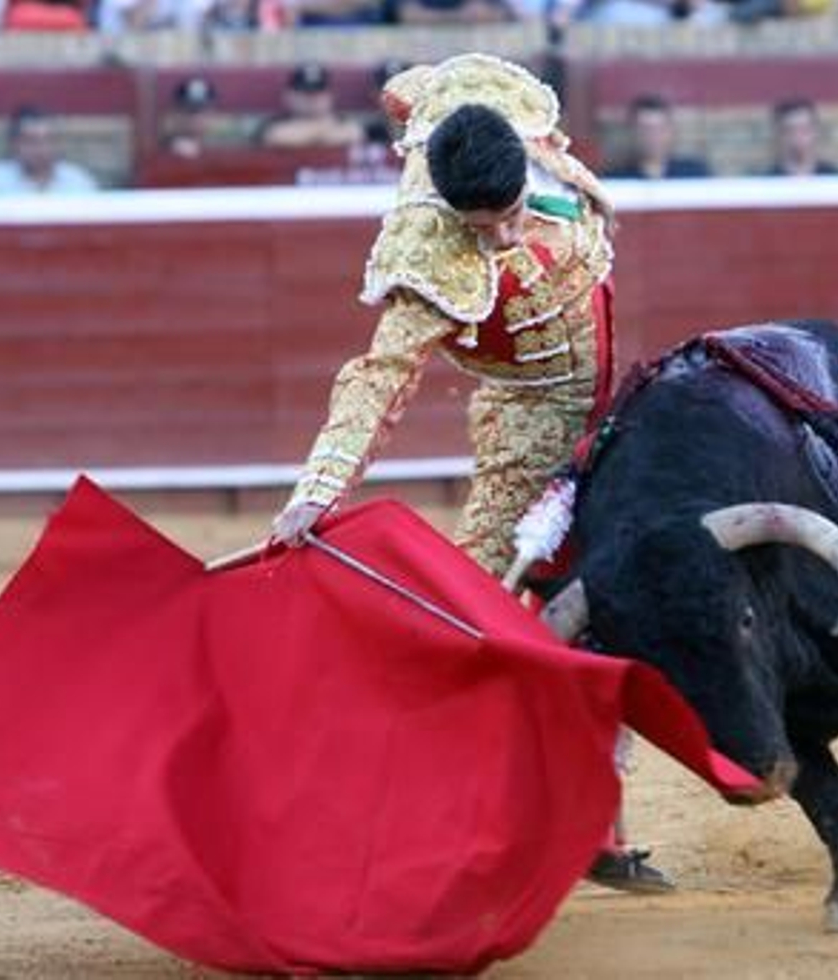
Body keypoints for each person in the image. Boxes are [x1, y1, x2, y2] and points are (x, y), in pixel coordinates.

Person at [269, 54, 669, 893]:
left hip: (617, 414)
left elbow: (420, 88)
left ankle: (597, 828)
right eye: (481, 229)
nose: (502, 240)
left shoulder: (507, 122)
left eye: (511, 216)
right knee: (472, 615)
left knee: (612, 604)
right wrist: (318, 490)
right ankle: (386, 808)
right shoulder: (426, 258)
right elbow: (378, 379)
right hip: (528, 428)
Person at [0, 106, 100, 194]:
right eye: (31, 140)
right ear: (14, 144)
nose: (41, 148)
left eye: (48, 139)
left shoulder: (79, 182)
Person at [255, 63, 365, 150]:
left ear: (330, 95)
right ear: (289, 96)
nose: (312, 99)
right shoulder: (275, 122)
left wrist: (304, 137)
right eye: (305, 92)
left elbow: (354, 133)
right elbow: (275, 137)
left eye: (318, 92)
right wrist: (324, 132)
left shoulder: (343, 120)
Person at [601, 93, 710, 180]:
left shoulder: (695, 174)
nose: (653, 136)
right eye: (645, 129)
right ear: (633, 133)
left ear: (671, 132)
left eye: (660, 129)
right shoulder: (615, 179)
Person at [766, 98, 838, 177]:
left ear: (816, 132)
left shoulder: (837, 178)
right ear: (779, 135)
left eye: (804, 130)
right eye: (790, 131)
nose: (798, 137)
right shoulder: (765, 180)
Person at [162, 75, 219, 160]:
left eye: (203, 110)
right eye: (191, 111)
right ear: (177, 113)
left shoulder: (219, 142)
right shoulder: (168, 145)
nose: (197, 118)